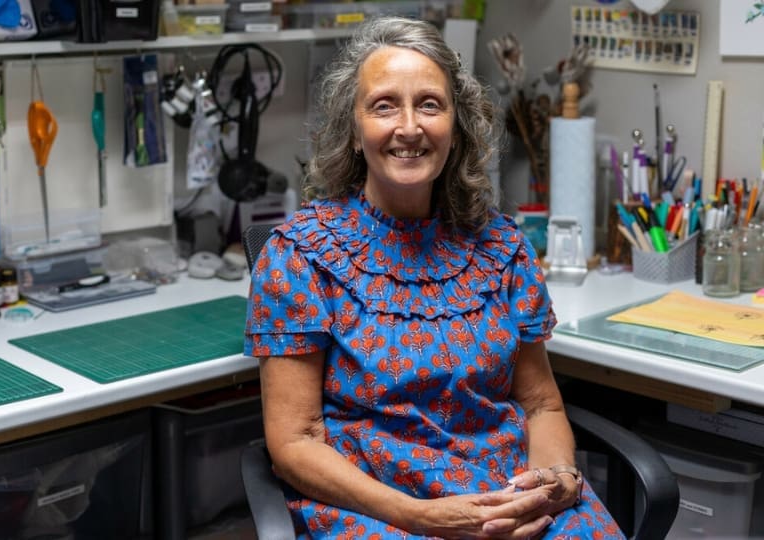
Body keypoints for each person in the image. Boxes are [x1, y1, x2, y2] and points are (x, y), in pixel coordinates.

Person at [243, 16, 625, 539]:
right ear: (354, 132)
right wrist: (422, 517)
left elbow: (541, 404)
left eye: (429, 104)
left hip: (513, 498)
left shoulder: (501, 248)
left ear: (455, 127)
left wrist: (555, 481)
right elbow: (295, 443)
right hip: (382, 511)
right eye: (384, 106)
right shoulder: (301, 257)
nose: (409, 126)